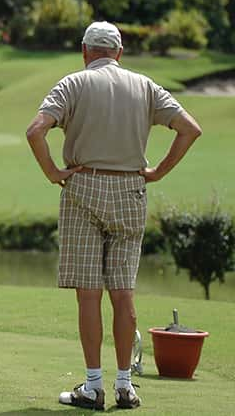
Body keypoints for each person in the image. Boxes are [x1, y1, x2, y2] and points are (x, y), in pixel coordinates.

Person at [26, 22, 202, 410]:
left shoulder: (72, 84)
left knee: (89, 295)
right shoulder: (145, 86)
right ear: (119, 53)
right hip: (130, 191)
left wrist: (53, 173)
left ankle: (93, 387)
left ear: (85, 51)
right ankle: (125, 386)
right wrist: (158, 172)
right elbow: (190, 129)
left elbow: (36, 130)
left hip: (84, 187)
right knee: (123, 293)